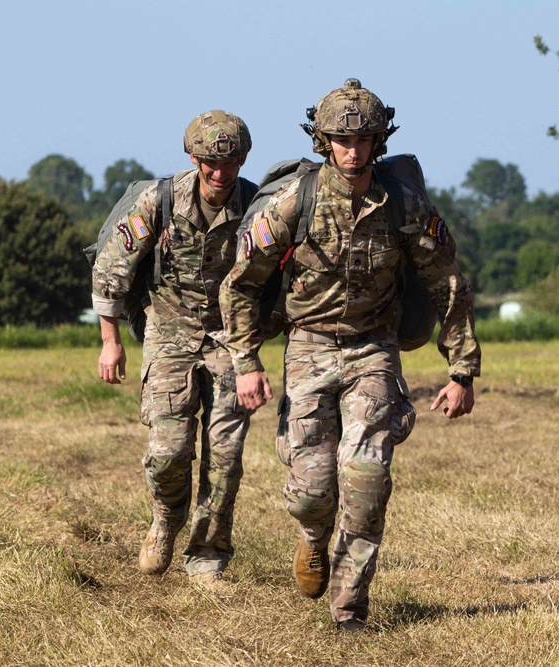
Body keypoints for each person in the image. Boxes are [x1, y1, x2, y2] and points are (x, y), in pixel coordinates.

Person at [219, 78, 480, 631]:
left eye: (363, 138)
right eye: (341, 138)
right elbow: (241, 286)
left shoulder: (404, 205)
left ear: (379, 140)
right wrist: (246, 362)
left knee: (366, 480)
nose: (352, 149)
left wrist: (461, 370)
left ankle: (349, 609)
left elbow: (447, 283)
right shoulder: (296, 201)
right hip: (308, 346)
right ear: (323, 140)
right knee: (312, 494)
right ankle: (314, 537)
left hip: (373, 351)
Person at [92, 110, 257, 586]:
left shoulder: (256, 206)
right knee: (168, 451)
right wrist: (111, 343)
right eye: (209, 161)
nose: (219, 172)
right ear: (193, 156)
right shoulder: (160, 201)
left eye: (229, 162)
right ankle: (165, 520)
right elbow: (112, 271)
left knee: (224, 456)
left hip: (229, 336)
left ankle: (208, 553)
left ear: (244, 159)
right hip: (168, 331)